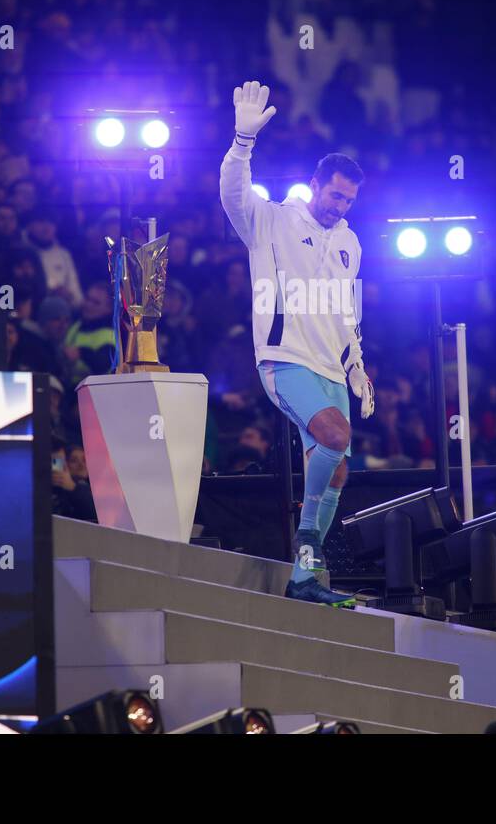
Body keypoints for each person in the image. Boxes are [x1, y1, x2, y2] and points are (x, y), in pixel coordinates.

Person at [219, 80, 374, 608]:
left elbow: (347, 310)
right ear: (314, 185)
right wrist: (243, 142)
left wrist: (356, 362)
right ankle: (307, 540)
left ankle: (304, 580)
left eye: (349, 199)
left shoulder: (351, 242)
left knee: (340, 468)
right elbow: (232, 194)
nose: (340, 206)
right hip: (285, 361)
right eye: (335, 194)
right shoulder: (273, 220)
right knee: (334, 436)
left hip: (331, 368)